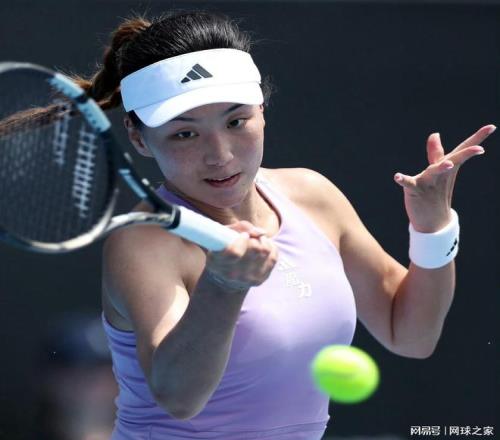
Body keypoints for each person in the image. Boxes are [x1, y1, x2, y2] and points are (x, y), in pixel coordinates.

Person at [75, 9, 494, 440]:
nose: (220, 155)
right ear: (139, 137)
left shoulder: (311, 194)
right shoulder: (144, 243)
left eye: (236, 122)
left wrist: (433, 228)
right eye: (185, 134)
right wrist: (223, 285)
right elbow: (178, 398)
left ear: (262, 110)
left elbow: (410, 335)